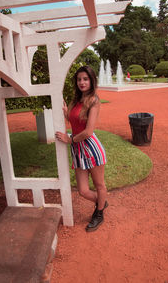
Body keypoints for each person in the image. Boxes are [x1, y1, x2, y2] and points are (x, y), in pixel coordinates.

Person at [55, 66, 108, 232]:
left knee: (99, 184)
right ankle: (101, 202)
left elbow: (88, 131)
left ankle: (99, 213)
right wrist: (66, 113)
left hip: (90, 148)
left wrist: (69, 139)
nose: (82, 82)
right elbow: (76, 121)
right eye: (79, 79)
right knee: (83, 191)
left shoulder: (94, 101)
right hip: (78, 150)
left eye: (85, 79)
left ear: (91, 81)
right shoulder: (76, 100)